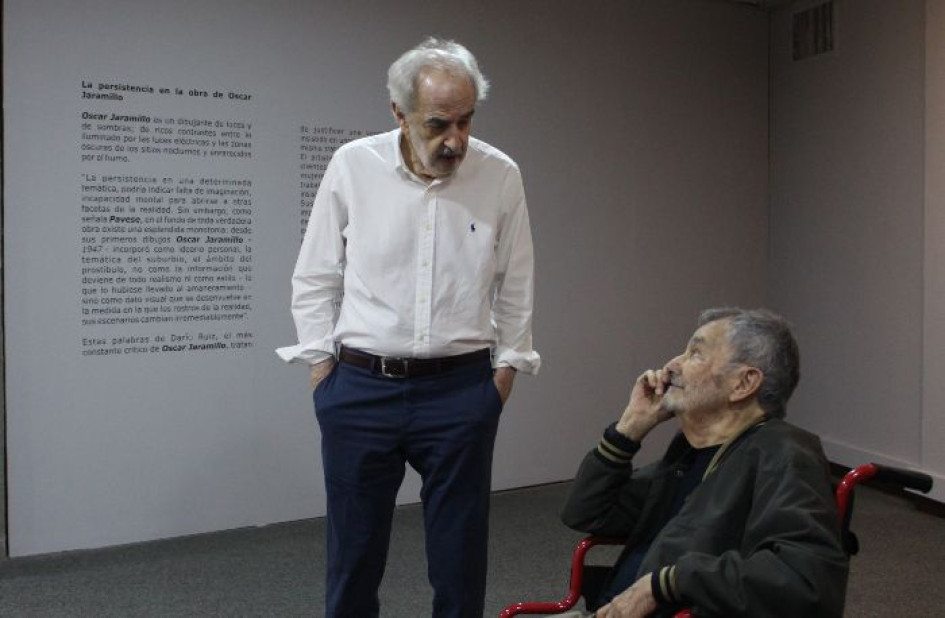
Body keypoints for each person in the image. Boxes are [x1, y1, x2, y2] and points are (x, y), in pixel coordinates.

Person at [276, 37, 540, 618]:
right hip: (360, 389)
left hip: (461, 391)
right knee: (353, 554)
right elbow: (316, 273)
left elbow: (517, 281)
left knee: (459, 558)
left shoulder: (500, 175)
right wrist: (322, 371)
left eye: (466, 120)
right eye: (438, 124)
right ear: (399, 112)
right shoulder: (354, 165)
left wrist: (503, 375)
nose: (456, 140)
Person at [560, 308, 848, 618]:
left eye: (695, 354)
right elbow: (586, 512)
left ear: (743, 383)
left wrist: (667, 583)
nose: (672, 365)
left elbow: (805, 582)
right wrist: (629, 428)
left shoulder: (784, 454)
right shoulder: (689, 454)